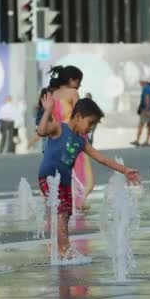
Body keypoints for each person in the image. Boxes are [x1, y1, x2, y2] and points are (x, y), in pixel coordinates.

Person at [38, 95, 140, 257]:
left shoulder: (81, 142)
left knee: (65, 212)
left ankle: (57, 246)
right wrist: (48, 110)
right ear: (78, 117)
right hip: (49, 177)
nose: (91, 128)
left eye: (94, 125)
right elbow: (41, 131)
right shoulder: (59, 128)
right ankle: (64, 248)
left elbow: (102, 159)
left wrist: (124, 170)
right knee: (62, 211)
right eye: (90, 123)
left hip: (64, 182)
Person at [44, 65, 95, 209]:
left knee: (64, 174)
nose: (79, 86)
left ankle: (67, 203)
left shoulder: (53, 94)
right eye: (78, 82)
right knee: (86, 179)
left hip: (57, 139)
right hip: (73, 137)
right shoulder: (73, 93)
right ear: (71, 80)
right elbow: (79, 116)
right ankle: (78, 204)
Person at [131, 80, 150, 146]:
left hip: (146, 109)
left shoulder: (146, 88)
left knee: (141, 125)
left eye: (140, 82)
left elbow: (147, 98)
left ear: (143, 82)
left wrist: (147, 109)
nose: (140, 84)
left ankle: (137, 140)